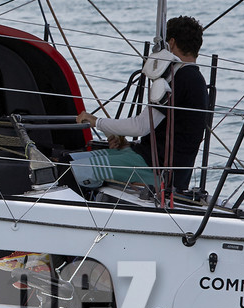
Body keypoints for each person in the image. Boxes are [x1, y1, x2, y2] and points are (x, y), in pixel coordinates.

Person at [73, 16, 211, 195]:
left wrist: (96, 121)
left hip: (154, 170)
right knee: (72, 159)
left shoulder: (182, 78)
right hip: (146, 159)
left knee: (69, 168)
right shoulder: (193, 78)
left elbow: (141, 126)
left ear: (171, 42)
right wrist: (124, 141)